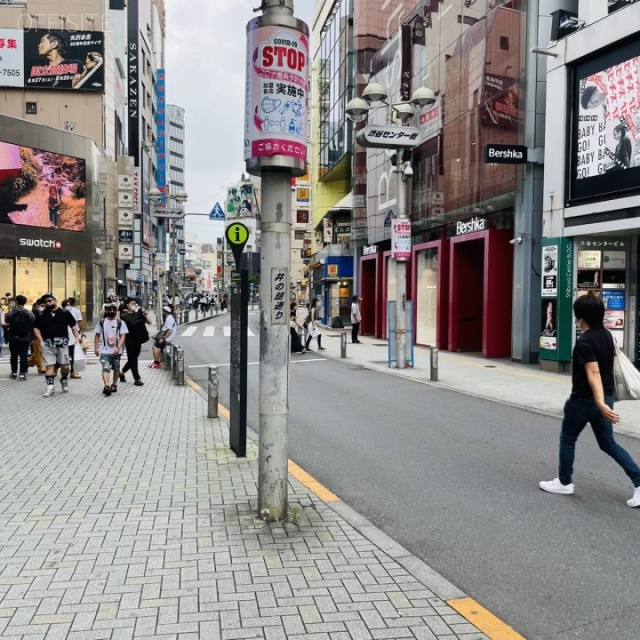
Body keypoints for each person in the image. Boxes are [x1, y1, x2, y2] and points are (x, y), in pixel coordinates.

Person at [540, 295, 640, 507]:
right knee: (608, 443)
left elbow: (593, 373)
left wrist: (600, 403)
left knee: (568, 439)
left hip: (584, 401)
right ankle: (639, 482)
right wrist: (604, 402)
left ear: (580, 317)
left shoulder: (585, 341)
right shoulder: (606, 335)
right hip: (606, 397)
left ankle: (564, 483)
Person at [32, 293, 80, 397]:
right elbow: (35, 327)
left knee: (65, 366)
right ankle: (50, 388)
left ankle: (63, 378)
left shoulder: (64, 312)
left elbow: (74, 325)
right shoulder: (41, 314)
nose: (48, 303)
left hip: (62, 344)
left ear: (55, 301)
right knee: (49, 366)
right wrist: (41, 340)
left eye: (50, 300)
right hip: (48, 344)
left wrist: (76, 337)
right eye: (46, 302)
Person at [94, 302, 128, 397]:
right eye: (110, 309)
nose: (112, 311)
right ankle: (107, 386)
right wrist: (96, 348)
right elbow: (97, 335)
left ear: (117, 311)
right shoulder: (101, 322)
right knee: (105, 367)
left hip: (116, 351)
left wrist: (118, 347)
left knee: (116, 368)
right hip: (105, 350)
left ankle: (114, 384)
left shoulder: (120, 322)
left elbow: (123, 336)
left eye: (114, 309)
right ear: (106, 311)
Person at [119, 297, 152, 386]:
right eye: (132, 304)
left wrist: (145, 312)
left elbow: (150, 322)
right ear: (127, 305)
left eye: (135, 304)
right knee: (133, 359)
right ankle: (137, 378)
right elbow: (121, 330)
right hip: (129, 340)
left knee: (133, 359)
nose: (134, 305)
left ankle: (121, 372)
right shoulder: (123, 316)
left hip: (139, 340)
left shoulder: (139, 314)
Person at [4, 295, 35, 380]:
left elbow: (6, 323)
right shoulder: (29, 313)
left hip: (13, 337)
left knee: (13, 355)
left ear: (16, 302)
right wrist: (32, 337)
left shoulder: (11, 312)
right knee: (23, 356)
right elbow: (33, 325)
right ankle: (22, 373)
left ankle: (14, 372)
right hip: (25, 337)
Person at [149, 305, 177, 369]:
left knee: (155, 347)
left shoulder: (169, 319)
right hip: (166, 337)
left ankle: (157, 363)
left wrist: (163, 338)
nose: (162, 313)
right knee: (157, 348)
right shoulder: (169, 318)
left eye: (163, 311)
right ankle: (155, 362)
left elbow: (170, 330)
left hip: (166, 338)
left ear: (166, 312)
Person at [64, 297, 83, 379]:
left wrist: (79, 334)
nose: (68, 306)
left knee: (73, 354)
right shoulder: (61, 312)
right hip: (64, 337)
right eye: (66, 305)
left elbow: (79, 323)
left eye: (69, 304)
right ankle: (65, 370)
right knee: (64, 356)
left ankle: (73, 371)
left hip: (73, 336)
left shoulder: (76, 311)